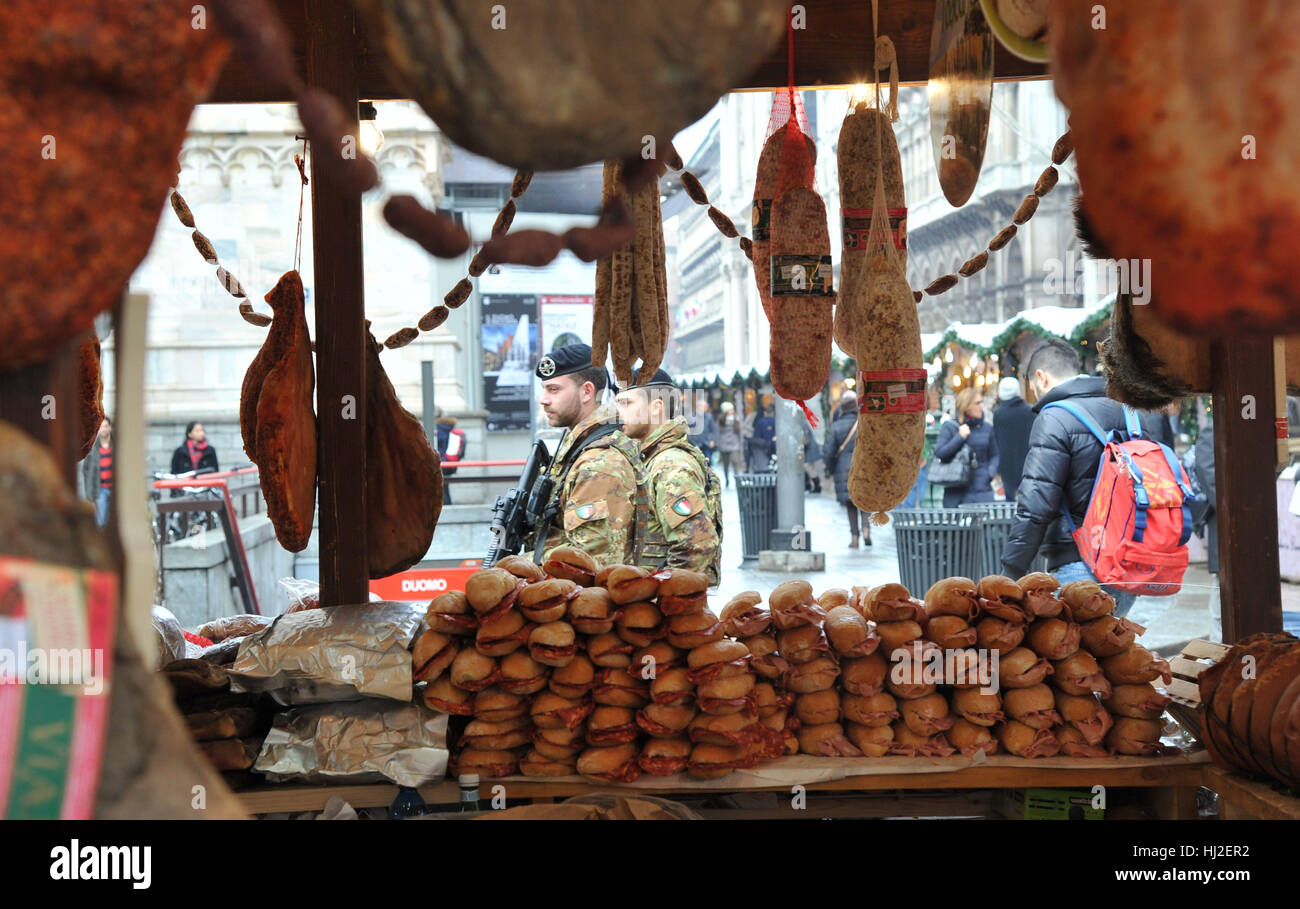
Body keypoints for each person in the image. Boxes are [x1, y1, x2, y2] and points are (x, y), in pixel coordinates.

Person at [1000, 338, 1138, 616]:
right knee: (1110, 652)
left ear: (1041, 377)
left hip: (1079, 563)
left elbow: (1036, 503)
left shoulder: (1055, 417)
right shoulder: (1128, 411)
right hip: (1129, 566)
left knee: (1070, 654)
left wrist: (1010, 571)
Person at [525, 343, 642, 568]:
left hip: (590, 600)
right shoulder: (579, 448)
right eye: (544, 389)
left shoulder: (599, 463)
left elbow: (591, 562)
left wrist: (519, 564)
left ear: (587, 391)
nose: (543, 399)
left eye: (554, 389)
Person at [616, 369, 723, 585]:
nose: (619, 414)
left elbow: (697, 546)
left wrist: (664, 601)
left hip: (664, 610)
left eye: (627, 403)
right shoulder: (651, 458)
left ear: (656, 407)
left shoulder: (670, 464)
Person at [933, 387, 999, 507]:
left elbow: (995, 455)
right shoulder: (950, 427)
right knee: (957, 525)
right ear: (966, 405)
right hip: (956, 490)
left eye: (981, 402)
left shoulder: (987, 428)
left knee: (985, 525)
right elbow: (940, 453)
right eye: (977, 403)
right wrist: (959, 437)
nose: (981, 406)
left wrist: (989, 474)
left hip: (982, 490)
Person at [823, 391, 870, 547]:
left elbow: (828, 452)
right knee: (864, 501)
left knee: (850, 505)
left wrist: (831, 469)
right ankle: (866, 530)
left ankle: (854, 538)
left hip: (843, 469)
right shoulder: (864, 423)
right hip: (863, 466)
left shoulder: (836, 426)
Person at [992, 376, 1034, 501]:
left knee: (1010, 505)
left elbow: (998, 442)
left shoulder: (998, 414)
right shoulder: (1029, 411)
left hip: (1007, 467)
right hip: (1028, 465)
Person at [81, 416, 113, 526]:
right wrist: (89, 492)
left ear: (110, 428)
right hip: (100, 489)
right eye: (101, 427)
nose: (103, 429)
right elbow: (86, 471)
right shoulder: (92, 448)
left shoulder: (116, 447)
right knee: (100, 520)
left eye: (105, 426)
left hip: (114, 489)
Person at [1195, 419, 1217, 575]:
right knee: (1224, 581)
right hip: (1224, 517)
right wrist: (1228, 507)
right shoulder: (1212, 430)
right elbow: (1208, 475)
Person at [434, 406, 466, 505]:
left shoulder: (439, 429)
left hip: (442, 462)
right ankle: (448, 506)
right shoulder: (449, 428)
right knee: (445, 487)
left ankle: (446, 507)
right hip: (449, 462)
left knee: (442, 488)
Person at [715, 401, 744, 488]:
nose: (732, 411)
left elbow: (740, 432)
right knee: (726, 465)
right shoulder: (720, 419)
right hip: (723, 444)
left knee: (735, 462)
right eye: (731, 409)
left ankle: (737, 480)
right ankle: (727, 479)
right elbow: (717, 432)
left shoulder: (736, 419)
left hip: (734, 444)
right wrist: (718, 443)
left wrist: (740, 443)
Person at [686, 397, 717, 464]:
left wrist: (712, 440)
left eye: (706, 406)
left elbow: (714, 430)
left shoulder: (709, 417)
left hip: (706, 444)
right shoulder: (690, 417)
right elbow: (686, 430)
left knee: (708, 463)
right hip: (694, 444)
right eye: (704, 406)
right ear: (699, 407)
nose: (706, 408)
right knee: (696, 463)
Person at [750, 406, 776, 471]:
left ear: (765, 413)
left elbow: (757, 436)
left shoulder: (761, 422)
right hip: (774, 446)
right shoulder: (776, 421)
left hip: (763, 447)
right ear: (773, 413)